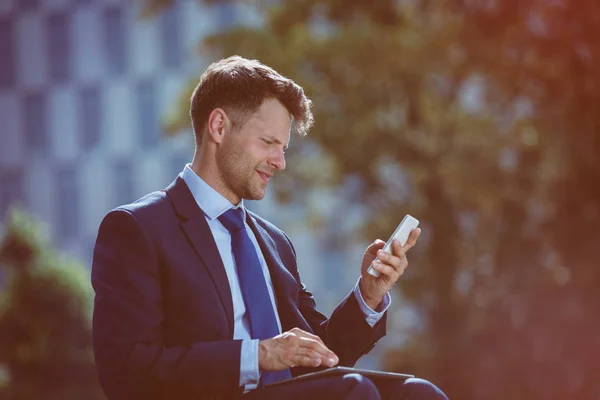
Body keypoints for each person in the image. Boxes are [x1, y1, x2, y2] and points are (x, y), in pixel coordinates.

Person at [91, 56, 448, 400]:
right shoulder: (138, 229)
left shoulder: (274, 243)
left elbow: (322, 357)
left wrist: (368, 295)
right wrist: (257, 355)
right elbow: (126, 372)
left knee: (417, 393)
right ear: (219, 127)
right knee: (354, 393)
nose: (280, 162)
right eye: (269, 143)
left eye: (284, 148)